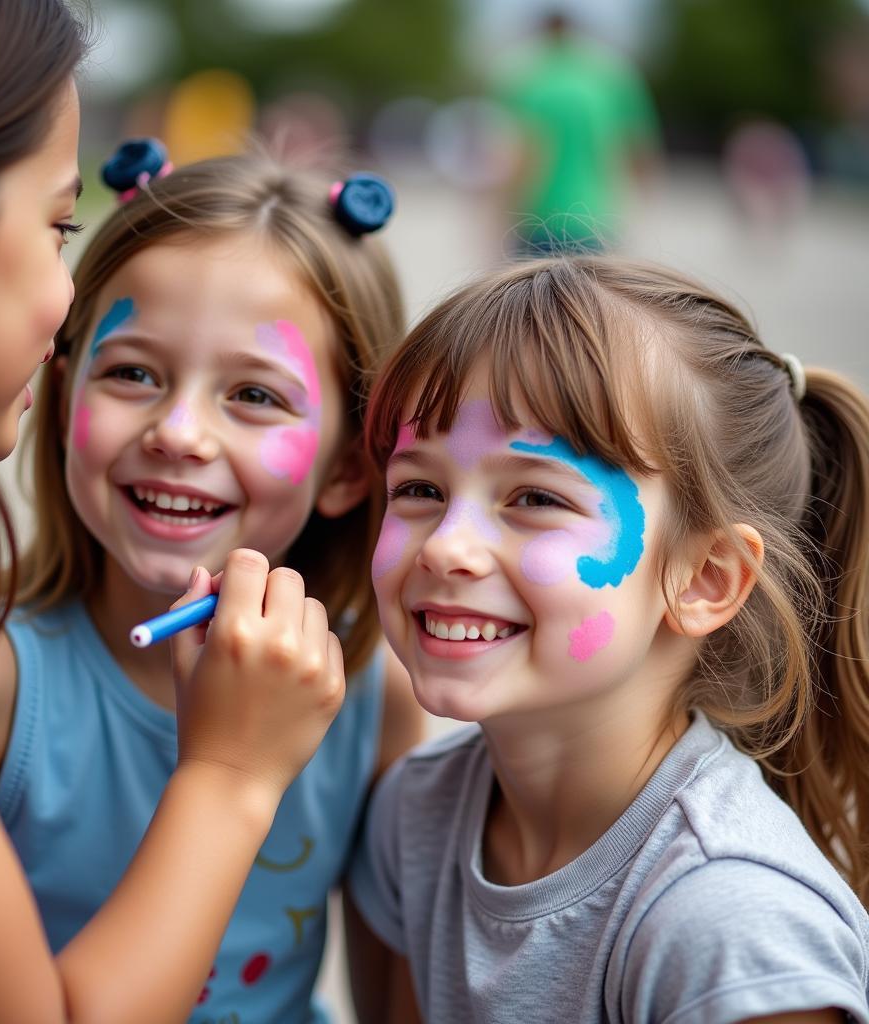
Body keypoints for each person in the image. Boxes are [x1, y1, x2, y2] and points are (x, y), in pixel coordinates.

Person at [0, 4, 348, 1022]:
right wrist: (233, 773)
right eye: (58, 226)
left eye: (254, 393)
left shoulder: (378, 699)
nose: (65, 298)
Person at [346, 256, 869, 1023]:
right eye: (420, 489)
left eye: (533, 496)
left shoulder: (730, 926)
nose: (445, 547)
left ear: (704, 579)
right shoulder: (413, 817)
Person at [0, 145, 424, 1023]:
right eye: (133, 372)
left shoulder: (372, 696)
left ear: (347, 467)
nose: (179, 432)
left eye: (255, 395)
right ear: (61, 401)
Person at [491, 11, 660, 255]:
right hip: (597, 219)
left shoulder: (525, 82)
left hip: (537, 219)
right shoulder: (614, 80)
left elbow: (517, 158)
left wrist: (496, 221)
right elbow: (640, 151)